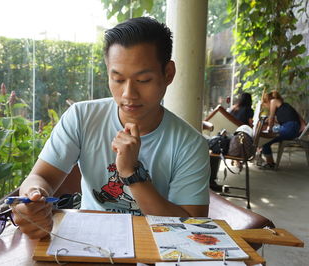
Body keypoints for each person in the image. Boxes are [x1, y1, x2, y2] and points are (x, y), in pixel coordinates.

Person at [13, 17, 210, 239]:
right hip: (88, 242)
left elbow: (192, 228)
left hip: (157, 247)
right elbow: (41, 177)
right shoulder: (81, 117)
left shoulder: (190, 144)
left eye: (144, 80)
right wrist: (33, 197)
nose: (128, 94)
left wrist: (131, 173)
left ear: (168, 74)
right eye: (117, 79)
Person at [209, 92, 254, 192]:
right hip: (238, 140)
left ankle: (211, 181)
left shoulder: (234, 108)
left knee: (214, 146)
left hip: (232, 138)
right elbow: (250, 123)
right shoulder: (249, 110)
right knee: (215, 146)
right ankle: (211, 182)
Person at [260, 91, 307, 169]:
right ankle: (269, 162)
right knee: (266, 139)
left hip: (289, 128)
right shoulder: (285, 106)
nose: (266, 107)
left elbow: (271, 118)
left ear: (267, 101)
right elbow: (291, 119)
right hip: (292, 129)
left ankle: (270, 163)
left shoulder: (273, 101)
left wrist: (269, 129)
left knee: (265, 140)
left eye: (265, 105)